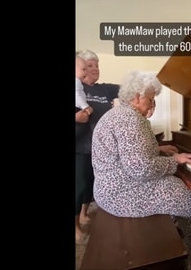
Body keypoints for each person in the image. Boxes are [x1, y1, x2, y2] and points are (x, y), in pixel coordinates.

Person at [91, 70, 191, 269]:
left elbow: (132, 152)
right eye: (151, 99)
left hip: (110, 188)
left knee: (176, 186)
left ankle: (178, 230)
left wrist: (158, 149)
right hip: (120, 193)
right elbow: (141, 168)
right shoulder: (130, 120)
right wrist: (175, 160)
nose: (152, 105)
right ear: (137, 97)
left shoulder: (121, 114)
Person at [75, 49, 119, 244]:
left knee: (92, 183)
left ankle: (84, 213)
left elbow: (126, 88)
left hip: (101, 148)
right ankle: (75, 225)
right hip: (81, 146)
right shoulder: (77, 90)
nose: (94, 69)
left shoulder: (104, 90)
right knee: (80, 184)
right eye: (89, 66)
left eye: (97, 65)